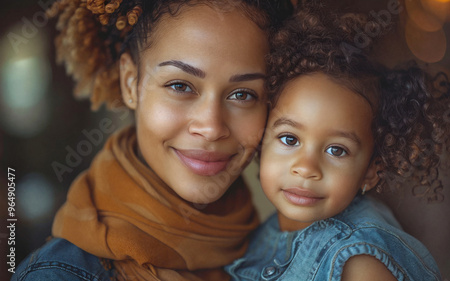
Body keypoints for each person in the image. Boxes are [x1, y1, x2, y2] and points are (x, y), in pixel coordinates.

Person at [12, 0, 292, 280]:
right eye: (180, 86)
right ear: (131, 82)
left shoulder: (292, 254)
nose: (211, 128)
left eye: (243, 94)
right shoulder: (58, 274)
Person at [225, 3, 450, 281]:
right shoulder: (259, 235)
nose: (306, 168)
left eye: (336, 150)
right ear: (261, 141)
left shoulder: (359, 263)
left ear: (370, 170)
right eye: (289, 139)